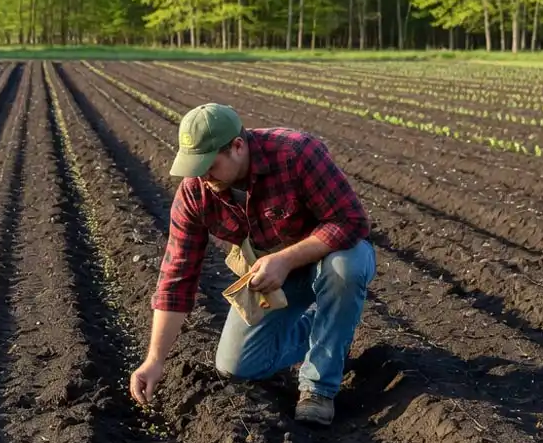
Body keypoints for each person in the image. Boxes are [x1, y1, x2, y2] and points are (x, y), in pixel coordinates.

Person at [129, 103, 376, 425]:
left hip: (325, 260)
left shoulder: (295, 153)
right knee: (237, 367)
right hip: (271, 277)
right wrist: (154, 359)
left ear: (237, 146)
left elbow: (351, 222)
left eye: (209, 165)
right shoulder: (195, 193)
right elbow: (177, 276)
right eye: (194, 166)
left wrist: (286, 258)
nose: (202, 176)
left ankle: (319, 389)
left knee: (347, 266)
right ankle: (325, 330)